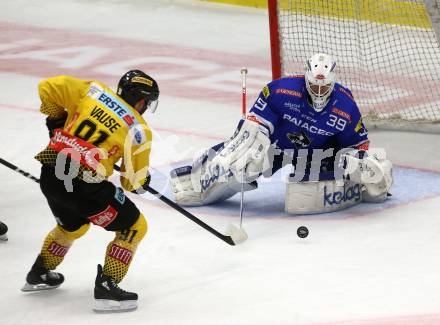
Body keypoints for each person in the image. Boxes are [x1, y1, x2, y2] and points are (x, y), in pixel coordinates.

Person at [170, 53, 393, 214]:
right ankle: (202, 176)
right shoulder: (279, 91)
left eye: (324, 88)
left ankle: (367, 185)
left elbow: (359, 145)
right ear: (306, 79)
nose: (318, 92)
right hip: (277, 148)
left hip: (318, 155)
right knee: (245, 158)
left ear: (332, 85)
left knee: (357, 167)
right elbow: (252, 125)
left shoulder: (346, 106)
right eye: (314, 86)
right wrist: (247, 143)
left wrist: (356, 165)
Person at [21, 70, 159, 312]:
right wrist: (142, 179)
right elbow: (132, 183)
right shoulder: (138, 128)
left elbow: (46, 86)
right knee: (135, 226)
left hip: (51, 173)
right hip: (83, 185)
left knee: (72, 226)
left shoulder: (93, 91)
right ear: (140, 101)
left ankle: (39, 273)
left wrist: (56, 123)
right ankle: (107, 285)